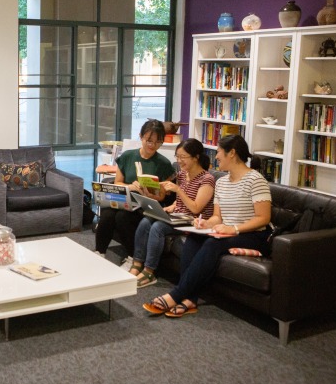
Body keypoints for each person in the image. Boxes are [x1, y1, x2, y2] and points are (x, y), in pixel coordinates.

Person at [143, 134, 272, 318]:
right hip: (226, 232)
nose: (216, 156)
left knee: (213, 244)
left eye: (219, 152)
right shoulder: (222, 182)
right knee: (194, 238)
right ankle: (191, 299)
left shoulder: (255, 180)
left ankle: (177, 295)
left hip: (254, 235)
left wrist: (234, 229)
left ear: (232, 153)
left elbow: (263, 218)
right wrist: (205, 223)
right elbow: (218, 217)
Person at [129, 138, 215, 288]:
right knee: (146, 220)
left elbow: (196, 208)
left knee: (158, 227)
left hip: (194, 221)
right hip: (179, 216)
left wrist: (177, 190)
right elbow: (183, 200)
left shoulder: (207, 179)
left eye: (183, 157)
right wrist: (173, 206)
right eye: (177, 157)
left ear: (196, 157)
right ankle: (137, 263)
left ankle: (149, 271)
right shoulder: (182, 174)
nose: (179, 161)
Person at [94, 119, 175, 265]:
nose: (152, 145)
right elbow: (117, 182)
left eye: (158, 142)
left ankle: (133, 257)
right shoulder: (127, 156)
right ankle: (99, 253)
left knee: (122, 217)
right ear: (141, 136)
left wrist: (150, 194)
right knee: (107, 213)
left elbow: (163, 196)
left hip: (145, 206)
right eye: (149, 140)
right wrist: (130, 186)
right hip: (125, 199)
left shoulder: (164, 164)